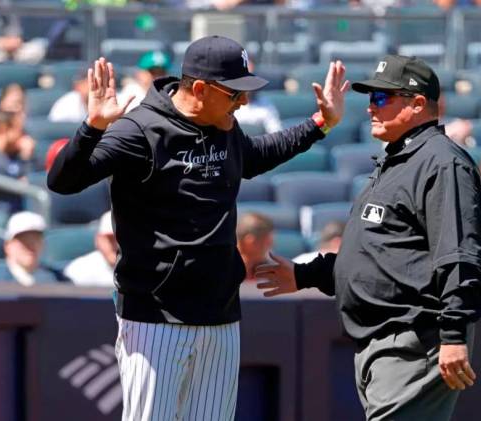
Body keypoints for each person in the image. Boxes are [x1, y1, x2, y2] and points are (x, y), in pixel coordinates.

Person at [47, 35, 348, 421]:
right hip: (155, 317)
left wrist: (321, 123)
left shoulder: (223, 122)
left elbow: (255, 156)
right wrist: (92, 127)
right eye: (234, 93)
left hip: (220, 313)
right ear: (201, 88)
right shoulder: (140, 130)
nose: (243, 102)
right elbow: (63, 181)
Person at [256, 55, 481, 421]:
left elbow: (460, 256)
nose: (370, 108)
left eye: (382, 98)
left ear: (417, 104)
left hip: (415, 339)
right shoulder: (399, 160)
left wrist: (453, 335)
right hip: (384, 344)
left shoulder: (443, 162)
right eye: (369, 98)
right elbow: (381, 257)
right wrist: (308, 275)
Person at [0, 211, 67, 285]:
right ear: (8, 246)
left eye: (35, 240)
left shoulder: (59, 279)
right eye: (23, 241)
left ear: (43, 244)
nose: (30, 246)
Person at [64, 211, 117, 286]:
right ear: (98, 240)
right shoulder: (78, 270)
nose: (117, 245)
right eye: (110, 239)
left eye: (123, 239)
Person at [236, 212, 274, 281]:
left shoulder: (270, 271)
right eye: (267, 242)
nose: (271, 246)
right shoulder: (220, 270)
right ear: (250, 241)